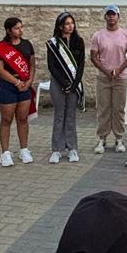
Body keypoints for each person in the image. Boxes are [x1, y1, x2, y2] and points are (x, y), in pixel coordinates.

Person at [89, 4, 127, 154]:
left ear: (118, 16)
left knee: (119, 108)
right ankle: (102, 139)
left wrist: (119, 70)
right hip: (103, 78)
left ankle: (119, 138)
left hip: (120, 78)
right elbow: (93, 57)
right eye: (108, 14)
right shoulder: (98, 35)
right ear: (105, 17)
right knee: (103, 108)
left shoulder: (126, 35)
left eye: (113, 14)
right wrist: (106, 71)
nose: (111, 17)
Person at [0, 17, 36, 166]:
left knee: (23, 119)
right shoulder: (1, 47)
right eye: (17, 28)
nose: (20, 30)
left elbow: (32, 64)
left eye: (21, 27)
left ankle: (24, 149)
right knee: (6, 120)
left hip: (25, 85)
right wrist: (16, 82)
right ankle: (5, 153)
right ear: (8, 30)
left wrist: (29, 81)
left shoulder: (27, 44)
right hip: (8, 86)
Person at [46, 12, 85, 163]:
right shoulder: (53, 43)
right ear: (60, 26)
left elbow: (81, 64)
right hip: (58, 83)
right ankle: (56, 149)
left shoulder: (78, 41)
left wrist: (74, 84)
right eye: (67, 24)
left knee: (70, 116)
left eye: (72, 23)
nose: (70, 26)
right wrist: (63, 82)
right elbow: (51, 66)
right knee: (59, 115)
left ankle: (72, 148)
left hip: (74, 83)